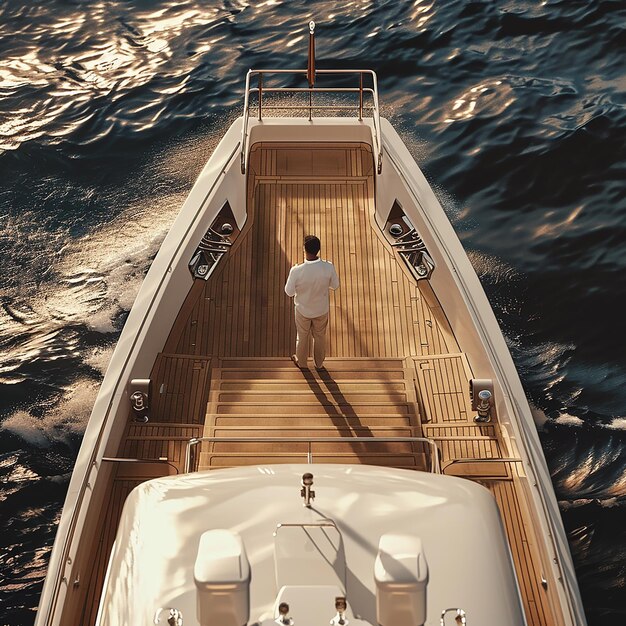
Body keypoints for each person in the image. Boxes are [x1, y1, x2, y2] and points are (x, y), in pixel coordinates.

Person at [284, 235, 339, 370]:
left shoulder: (296, 271)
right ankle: (319, 364)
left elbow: (289, 292)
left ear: (304, 249)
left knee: (302, 337)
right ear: (318, 250)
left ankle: (302, 363)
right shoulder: (328, 267)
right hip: (321, 310)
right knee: (320, 337)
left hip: (303, 311)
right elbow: (335, 286)